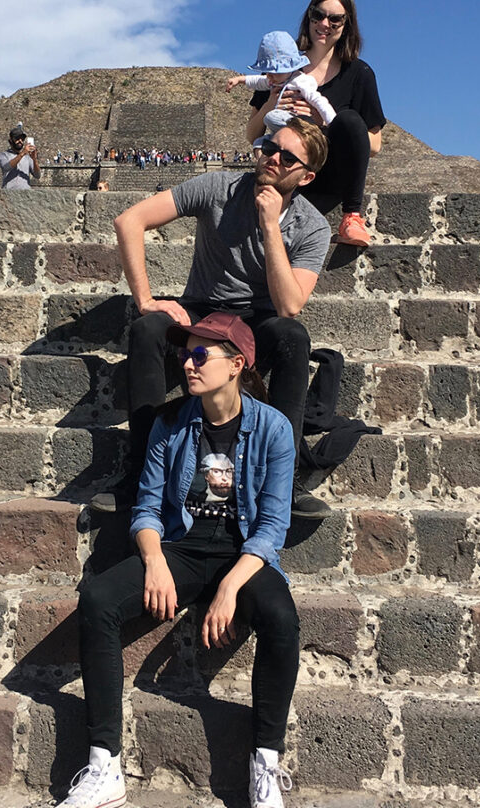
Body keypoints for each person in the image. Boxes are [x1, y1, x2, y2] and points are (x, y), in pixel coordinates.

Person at [62, 314, 298, 808]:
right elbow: (147, 507)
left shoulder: (273, 428)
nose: (186, 364)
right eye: (184, 354)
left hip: (243, 551)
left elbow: (273, 526)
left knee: (281, 617)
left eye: (199, 355)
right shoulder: (171, 424)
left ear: (236, 365)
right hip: (183, 547)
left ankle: (266, 763)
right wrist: (154, 560)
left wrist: (230, 588)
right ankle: (105, 763)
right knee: (98, 598)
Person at [92, 117, 332, 518]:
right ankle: (139, 475)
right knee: (147, 329)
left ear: (305, 177)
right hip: (203, 311)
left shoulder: (312, 226)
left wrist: (270, 225)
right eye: (270, 147)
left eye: (287, 158)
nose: (273, 158)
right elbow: (129, 221)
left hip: (257, 322)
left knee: (293, 336)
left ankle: (284, 485)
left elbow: (290, 304)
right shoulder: (219, 187)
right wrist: (146, 299)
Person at [247, 0, 387, 248]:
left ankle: (352, 217)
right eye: (318, 15)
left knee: (348, 120)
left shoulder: (359, 74)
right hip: (286, 170)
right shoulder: (281, 66)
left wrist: (322, 121)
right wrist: (269, 105)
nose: (325, 24)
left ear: (347, 25)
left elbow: (375, 145)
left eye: (335, 19)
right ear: (308, 16)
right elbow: (251, 134)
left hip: (329, 174)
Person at [227, 30, 336, 136]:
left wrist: (332, 121)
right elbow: (257, 81)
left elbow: (318, 100)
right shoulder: (274, 80)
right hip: (281, 126)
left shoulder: (300, 81)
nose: (269, 76)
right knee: (260, 143)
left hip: (298, 121)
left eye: (275, 72)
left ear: (289, 68)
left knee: (271, 117)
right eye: (268, 72)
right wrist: (239, 80)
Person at [0, 123, 40, 189]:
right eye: (17, 138)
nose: (20, 141)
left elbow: (37, 175)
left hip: (26, 193)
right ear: (10, 140)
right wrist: (22, 153)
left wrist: (34, 159)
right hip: (9, 192)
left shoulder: (27, 158)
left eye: (22, 139)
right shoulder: (3, 155)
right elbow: (6, 167)